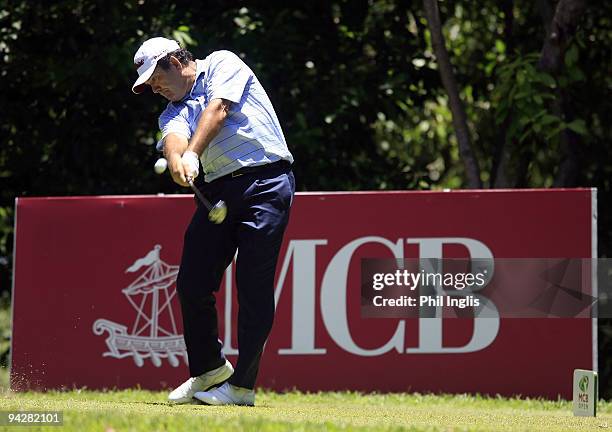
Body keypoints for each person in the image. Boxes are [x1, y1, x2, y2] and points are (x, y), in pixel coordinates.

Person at [131, 37, 295, 406]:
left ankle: (242, 388)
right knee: (192, 281)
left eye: (156, 76)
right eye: (148, 84)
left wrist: (193, 153)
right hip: (218, 193)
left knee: (253, 285)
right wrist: (178, 162)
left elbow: (218, 109)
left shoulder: (222, 63)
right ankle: (209, 370)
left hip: (265, 183)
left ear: (175, 60)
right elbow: (173, 138)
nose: (154, 87)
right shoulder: (172, 109)